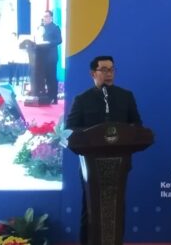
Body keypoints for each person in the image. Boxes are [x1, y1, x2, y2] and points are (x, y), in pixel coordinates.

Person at [66, 55, 142, 245]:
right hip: (92, 165)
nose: (109, 74)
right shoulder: (82, 99)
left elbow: (137, 125)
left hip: (119, 164)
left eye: (112, 69)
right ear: (93, 73)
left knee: (116, 207)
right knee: (90, 207)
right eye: (104, 70)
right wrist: (89, 136)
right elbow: (70, 130)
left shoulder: (125, 96)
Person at [35, 10, 62, 104]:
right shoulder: (41, 27)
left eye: (46, 16)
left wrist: (49, 43)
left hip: (51, 57)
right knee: (44, 77)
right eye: (44, 16)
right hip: (42, 57)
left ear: (51, 17)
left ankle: (54, 96)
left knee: (51, 77)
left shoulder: (55, 27)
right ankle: (46, 96)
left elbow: (59, 40)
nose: (45, 18)